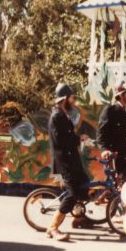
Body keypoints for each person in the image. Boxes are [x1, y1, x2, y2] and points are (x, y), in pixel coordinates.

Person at [46, 83, 89, 241]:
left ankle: (78, 218)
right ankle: (53, 228)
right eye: (72, 98)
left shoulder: (63, 114)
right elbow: (61, 141)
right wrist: (78, 139)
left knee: (84, 186)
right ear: (65, 99)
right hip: (65, 162)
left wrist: (78, 139)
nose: (74, 101)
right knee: (71, 194)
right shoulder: (56, 116)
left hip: (72, 160)